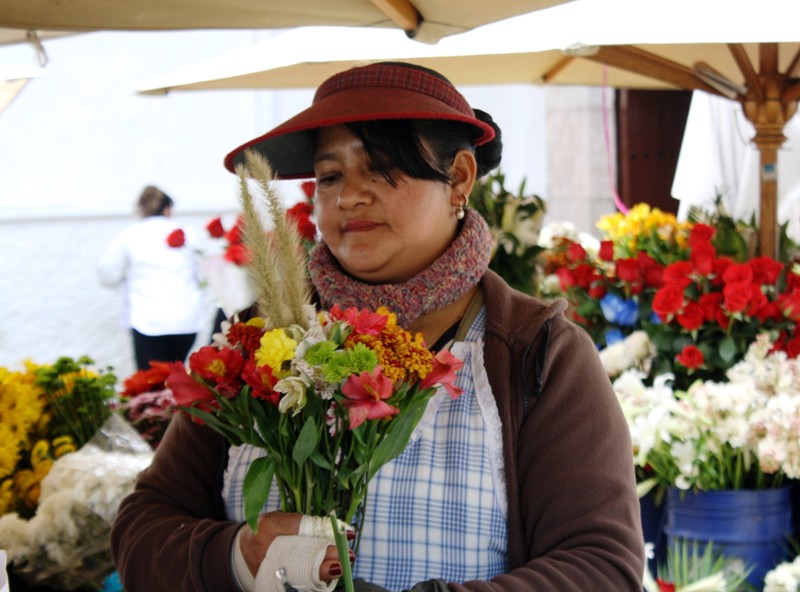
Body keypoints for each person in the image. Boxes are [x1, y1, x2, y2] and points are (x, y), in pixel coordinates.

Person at [111, 62, 645, 591]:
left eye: (382, 167)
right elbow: (142, 531)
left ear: (459, 178)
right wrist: (235, 556)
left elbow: (600, 565)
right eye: (330, 176)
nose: (349, 197)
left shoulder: (537, 353)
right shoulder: (259, 344)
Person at [98, 185, 207, 370]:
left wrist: (124, 280)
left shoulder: (129, 235)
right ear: (167, 209)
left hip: (147, 321)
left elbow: (106, 273)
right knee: (177, 378)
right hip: (186, 320)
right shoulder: (186, 233)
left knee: (149, 384)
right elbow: (203, 270)